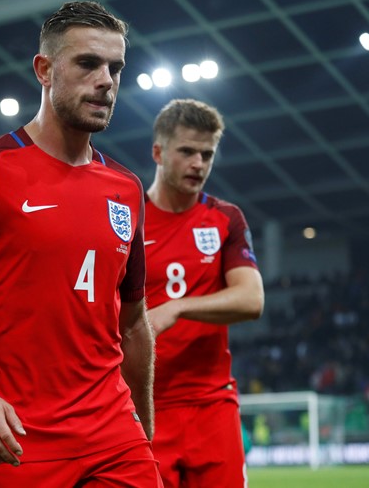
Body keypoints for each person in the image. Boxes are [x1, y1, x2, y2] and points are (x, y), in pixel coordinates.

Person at [0, 0, 162, 487]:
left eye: (116, 67)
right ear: (44, 70)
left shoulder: (126, 189)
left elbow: (133, 324)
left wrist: (144, 434)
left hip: (115, 442)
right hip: (16, 443)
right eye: (88, 63)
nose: (106, 80)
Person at [144, 99, 265, 488]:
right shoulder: (125, 220)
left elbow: (251, 299)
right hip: (145, 406)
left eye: (207, 154)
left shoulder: (225, 218)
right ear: (159, 152)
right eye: (187, 151)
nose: (199, 163)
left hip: (211, 404)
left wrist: (177, 308)